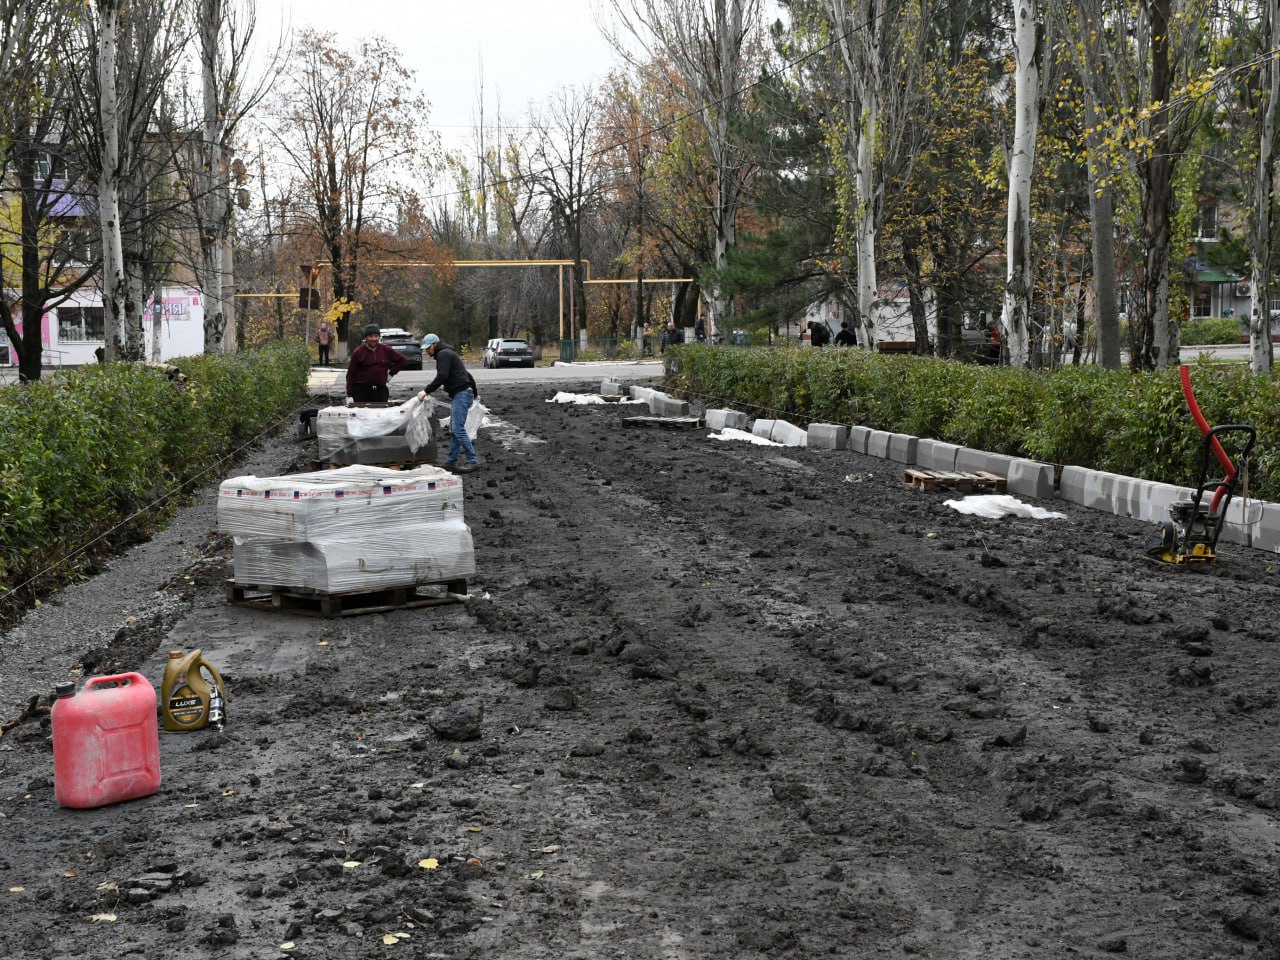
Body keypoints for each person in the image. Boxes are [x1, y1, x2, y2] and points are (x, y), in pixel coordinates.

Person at [419, 333, 480, 473]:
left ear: (434, 345)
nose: (427, 351)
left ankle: (472, 461)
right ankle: (451, 462)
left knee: (457, 429)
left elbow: (442, 376)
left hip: (462, 393)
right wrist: (475, 393)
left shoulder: (443, 354)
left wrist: (426, 391)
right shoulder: (449, 353)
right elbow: (467, 374)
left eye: (428, 348)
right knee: (454, 429)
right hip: (464, 393)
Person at [345, 323, 405, 405]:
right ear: (366, 337)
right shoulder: (358, 352)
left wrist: (391, 374)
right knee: (362, 416)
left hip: (380, 390)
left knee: (381, 414)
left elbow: (401, 360)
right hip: (361, 391)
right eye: (371, 336)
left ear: (379, 337)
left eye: (376, 336)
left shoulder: (385, 350)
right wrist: (349, 395)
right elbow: (351, 373)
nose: (374, 339)